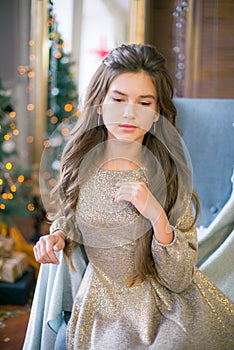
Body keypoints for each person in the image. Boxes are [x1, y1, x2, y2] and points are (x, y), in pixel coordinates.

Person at [28, 44, 233, 350]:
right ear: (100, 104)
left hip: (162, 305)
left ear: (156, 114)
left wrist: (156, 215)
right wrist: (57, 236)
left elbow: (179, 279)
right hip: (101, 301)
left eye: (144, 102)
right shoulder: (82, 164)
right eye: (119, 99)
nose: (129, 112)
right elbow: (73, 220)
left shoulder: (168, 176)